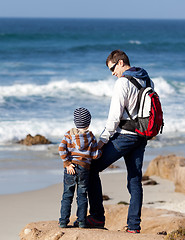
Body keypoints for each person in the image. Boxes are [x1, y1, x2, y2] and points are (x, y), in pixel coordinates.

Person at [86, 50, 154, 233]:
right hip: (141, 136)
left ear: (121, 62)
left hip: (124, 136)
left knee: (92, 168)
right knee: (134, 180)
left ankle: (97, 218)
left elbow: (114, 118)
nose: (112, 73)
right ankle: (134, 227)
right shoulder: (147, 79)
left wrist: (101, 142)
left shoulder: (122, 83)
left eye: (112, 69)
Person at [58, 107, 102, 228]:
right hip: (84, 169)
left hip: (70, 169)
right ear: (89, 122)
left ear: (75, 121)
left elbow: (61, 149)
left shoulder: (68, 134)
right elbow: (95, 155)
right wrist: (100, 151)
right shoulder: (91, 136)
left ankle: (63, 221)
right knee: (82, 195)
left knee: (67, 195)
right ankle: (82, 221)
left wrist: (67, 163)